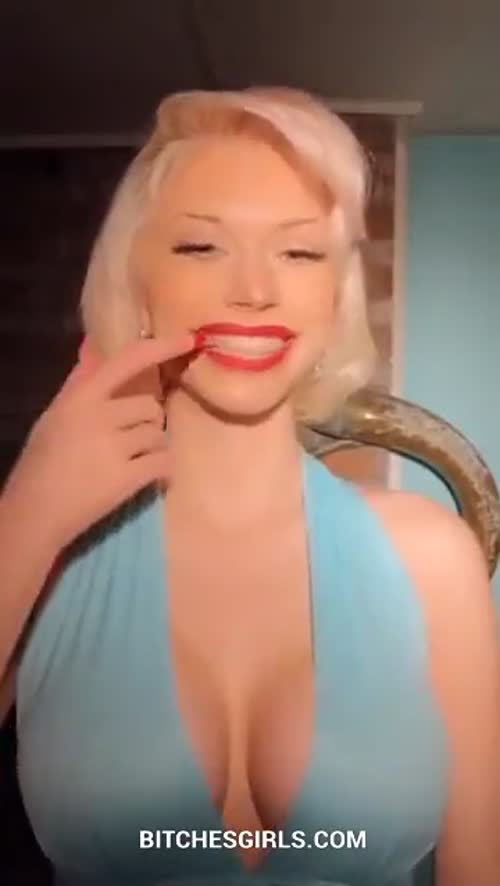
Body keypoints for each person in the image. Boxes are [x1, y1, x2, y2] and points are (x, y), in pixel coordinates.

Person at [0, 87, 499, 886]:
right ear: (136, 280)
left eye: (299, 253)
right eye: (202, 247)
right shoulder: (46, 551)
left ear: (334, 295)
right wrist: (27, 513)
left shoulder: (432, 559)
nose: (255, 290)